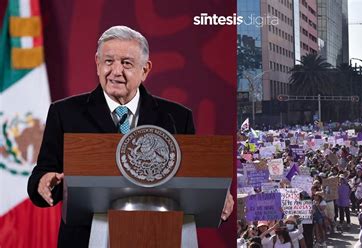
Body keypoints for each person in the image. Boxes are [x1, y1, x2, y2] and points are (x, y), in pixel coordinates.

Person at [26, 26, 232, 247]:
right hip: (86, 238)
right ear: (97, 63)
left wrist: (217, 192)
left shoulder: (176, 117)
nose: (116, 71)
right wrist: (43, 182)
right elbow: (43, 174)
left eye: (126, 63)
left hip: (161, 235)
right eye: (108, 61)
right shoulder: (65, 113)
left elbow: (193, 175)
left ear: (145, 69)